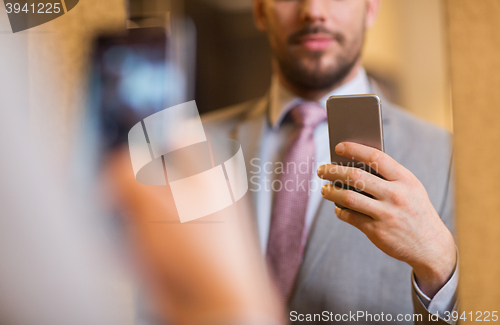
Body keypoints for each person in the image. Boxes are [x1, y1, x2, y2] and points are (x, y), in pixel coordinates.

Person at [202, 0, 458, 323]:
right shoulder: (190, 148)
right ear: (259, 11)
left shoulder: (448, 158)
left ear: (371, 8)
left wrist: (440, 264)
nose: (313, 11)